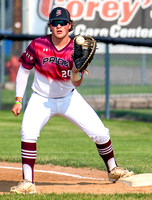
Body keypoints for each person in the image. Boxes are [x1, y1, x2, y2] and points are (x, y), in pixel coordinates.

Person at [10, 6, 134, 194]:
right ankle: (27, 181)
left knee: (100, 132)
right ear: (50, 26)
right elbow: (24, 70)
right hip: (40, 99)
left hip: (69, 98)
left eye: (63, 23)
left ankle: (113, 169)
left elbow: (77, 84)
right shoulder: (37, 44)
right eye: (55, 23)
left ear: (70, 25)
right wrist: (19, 99)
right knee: (27, 132)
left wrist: (76, 71)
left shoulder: (77, 48)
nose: (59, 26)